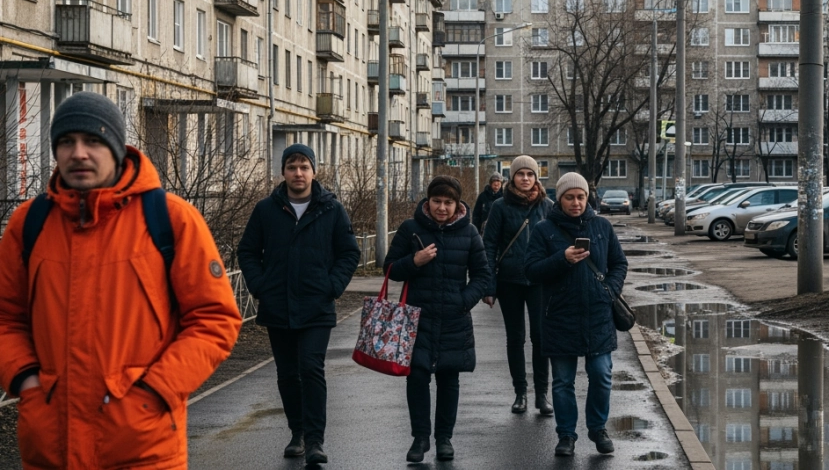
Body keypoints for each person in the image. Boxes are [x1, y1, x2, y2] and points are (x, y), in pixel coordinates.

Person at [0, 91, 243, 469]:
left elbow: (215, 320)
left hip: (142, 449)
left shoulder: (171, 220)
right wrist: (27, 383)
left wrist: (155, 391)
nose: (78, 153)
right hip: (50, 447)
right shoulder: (28, 225)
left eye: (93, 140)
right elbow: (5, 319)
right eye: (66, 142)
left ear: (116, 147)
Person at [236, 143, 361, 465]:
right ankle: (297, 433)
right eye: (292, 166)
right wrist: (260, 285)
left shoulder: (330, 209)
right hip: (277, 304)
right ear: (283, 172)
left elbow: (349, 252)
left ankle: (316, 441)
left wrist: (332, 286)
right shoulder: (267, 209)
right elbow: (248, 251)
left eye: (304, 166)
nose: (298, 173)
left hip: (316, 305)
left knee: (311, 368)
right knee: (288, 373)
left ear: (314, 171)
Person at [385, 176, 490, 463]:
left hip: (454, 318)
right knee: (417, 377)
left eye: (448, 202)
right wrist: (414, 262)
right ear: (427, 201)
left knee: (448, 378)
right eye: (436, 201)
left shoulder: (468, 233)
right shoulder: (410, 229)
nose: (442, 208)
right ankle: (420, 438)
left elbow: (483, 275)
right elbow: (390, 268)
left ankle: (444, 438)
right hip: (416, 318)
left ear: (457, 205)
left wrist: (464, 300)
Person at [525, 172, 628, 457]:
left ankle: (598, 428)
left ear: (587, 197)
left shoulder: (602, 226)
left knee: (601, 374)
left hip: (597, 315)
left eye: (580, 196)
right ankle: (567, 435)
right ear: (559, 199)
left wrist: (609, 290)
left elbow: (619, 263)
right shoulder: (545, 230)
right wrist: (562, 258)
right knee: (562, 381)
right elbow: (531, 270)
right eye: (569, 197)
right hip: (559, 316)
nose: (576, 202)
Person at [482, 155, 554, 415]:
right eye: (520, 174)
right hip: (509, 280)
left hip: (540, 281)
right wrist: (489, 286)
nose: (525, 178)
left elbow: (558, 243)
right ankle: (520, 393)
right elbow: (489, 246)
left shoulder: (548, 206)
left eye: (530, 174)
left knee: (541, 338)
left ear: (537, 177)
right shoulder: (500, 206)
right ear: (512, 177)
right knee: (516, 338)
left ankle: (542, 395)